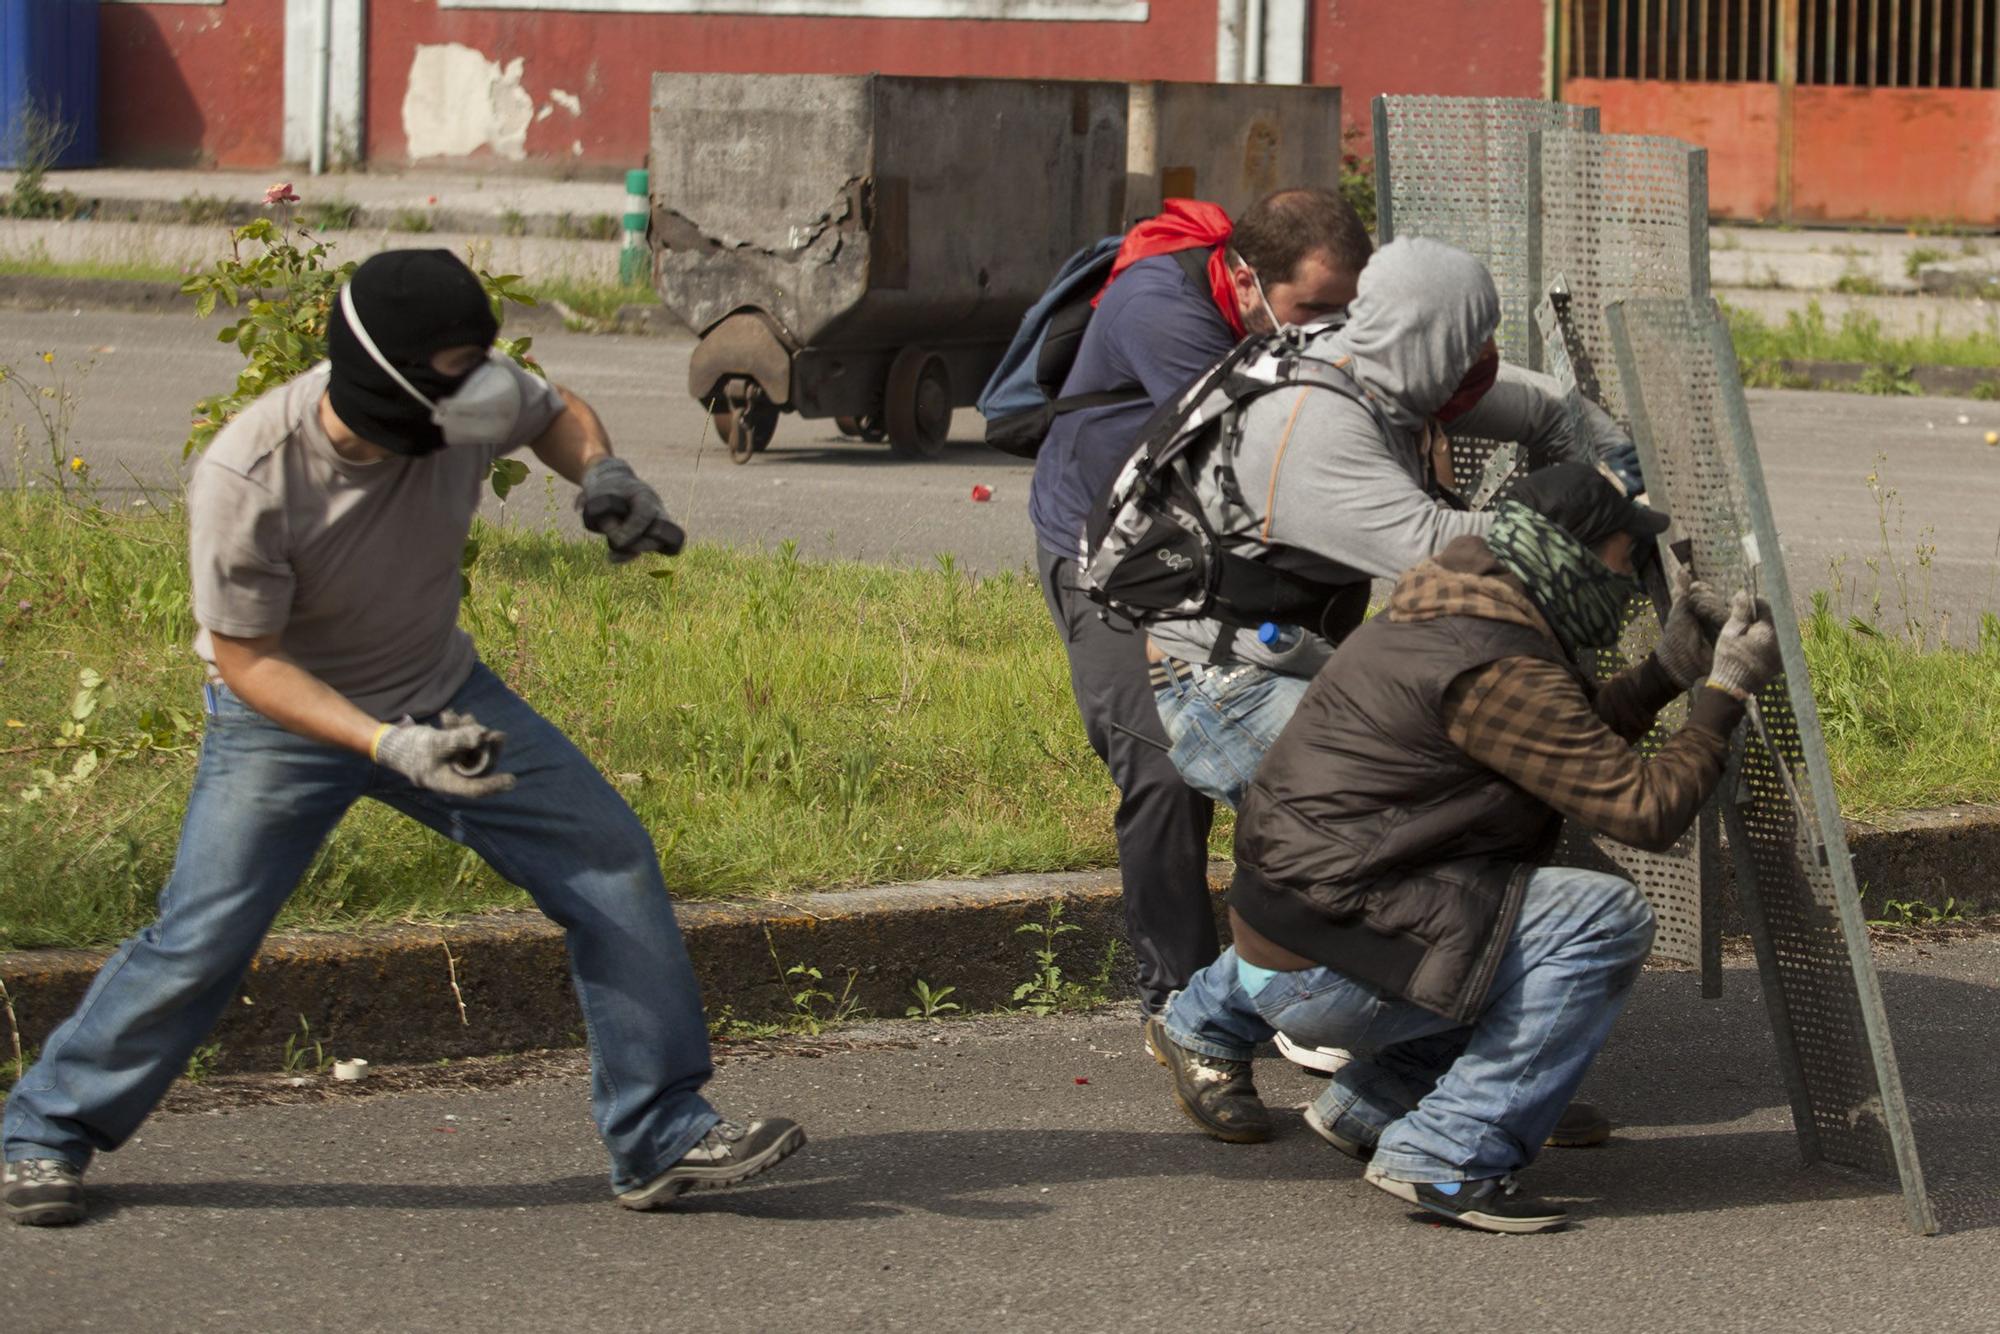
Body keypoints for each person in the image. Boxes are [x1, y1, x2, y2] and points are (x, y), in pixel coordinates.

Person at [2, 250, 803, 1229]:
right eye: (447, 382)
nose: (470, 401)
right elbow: (249, 660)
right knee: (200, 939)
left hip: (441, 692)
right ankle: (45, 1127)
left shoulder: (471, 392)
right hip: (282, 723)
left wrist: (602, 472)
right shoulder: (251, 473)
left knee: (609, 861)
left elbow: (552, 410)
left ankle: (659, 1133)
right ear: (383, 381)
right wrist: (383, 743)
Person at [1149, 464, 1783, 1233]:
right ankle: (1449, 1151)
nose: (1626, 584)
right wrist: (1723, 697)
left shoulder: (1456, 607)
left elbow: (1562, 739)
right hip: (1322, 968)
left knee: (1503, 905)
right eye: (1621, 561)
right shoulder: (1494, 661)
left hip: (1298, 937)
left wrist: (1666, 674)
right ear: (1569, 558)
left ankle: (1373, 1107)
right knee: (1597, 917)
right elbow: (1644, 810)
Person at [1029, 188, 1372, 1036]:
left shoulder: (1277, 323)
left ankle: (1298, 982)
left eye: (1350, 312)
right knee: (1162, 767)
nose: (1334, 332)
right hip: (1112, 557)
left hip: (1229, 558)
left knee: (1303, 764)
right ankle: (1178, 1002)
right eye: (1314, 311)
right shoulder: (1163, 313)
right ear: (1247, 281)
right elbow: (1265, 449)